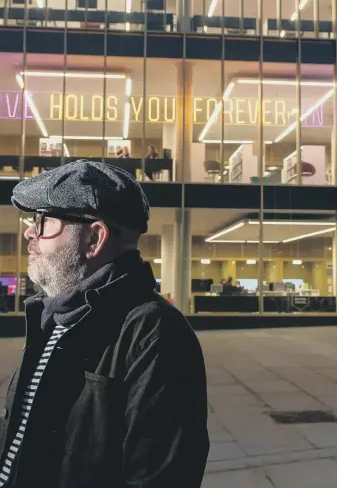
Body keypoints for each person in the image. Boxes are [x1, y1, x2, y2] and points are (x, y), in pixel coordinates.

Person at [0, 160, 209, 488]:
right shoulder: (54, 318)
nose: (30, 231)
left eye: (44, 220)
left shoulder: (155, 333)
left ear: (94, 238)